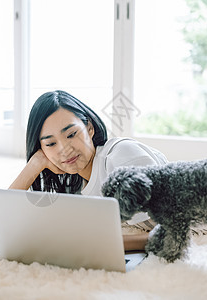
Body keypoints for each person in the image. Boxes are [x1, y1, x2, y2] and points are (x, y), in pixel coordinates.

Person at [9, 90, 168, 251]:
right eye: (50, 144)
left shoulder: (121, 157)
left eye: (71, 134)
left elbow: (174, 230)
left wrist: (97, 243)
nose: (65, 149)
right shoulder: (74, 184)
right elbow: (4, 219)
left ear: (89, 128)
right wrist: (34, 165)